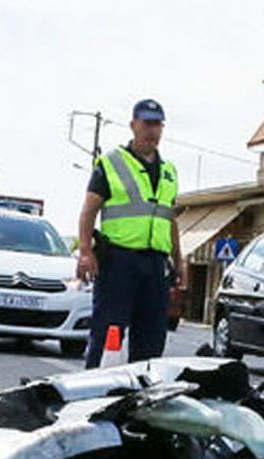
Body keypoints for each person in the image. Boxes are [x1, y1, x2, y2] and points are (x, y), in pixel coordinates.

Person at [76, 99, 185, 368]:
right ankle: (91, 396)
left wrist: (178, 260)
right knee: (107, 335)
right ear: (133, 125)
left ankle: (141, 399)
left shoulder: (169, 171)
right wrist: (85, 252)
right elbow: (89, 211)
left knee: (151, 341)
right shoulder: (111, 163)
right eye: (147, 124)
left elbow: (169, 220)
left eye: (157, 125)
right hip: (118, 263)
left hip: (156, 265)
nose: (152, 131)